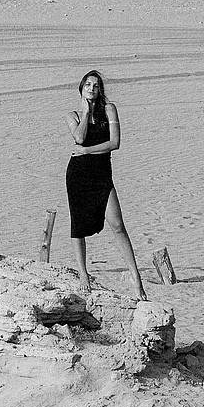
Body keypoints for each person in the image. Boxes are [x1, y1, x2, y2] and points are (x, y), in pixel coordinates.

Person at [64, 69, 148, 298]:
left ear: (101, 90)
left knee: (117, 224)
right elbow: (79, 137)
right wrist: (85, 110)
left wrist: (87, 151)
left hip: (102, 174)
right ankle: (83, 274)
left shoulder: (109, 109)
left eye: (96, 85)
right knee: (78, 225)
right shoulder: (73, 115)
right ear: (81, 89)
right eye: (88, 85)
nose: (92, 89)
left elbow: (115, 142)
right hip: (78, 175)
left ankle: (137, 279)